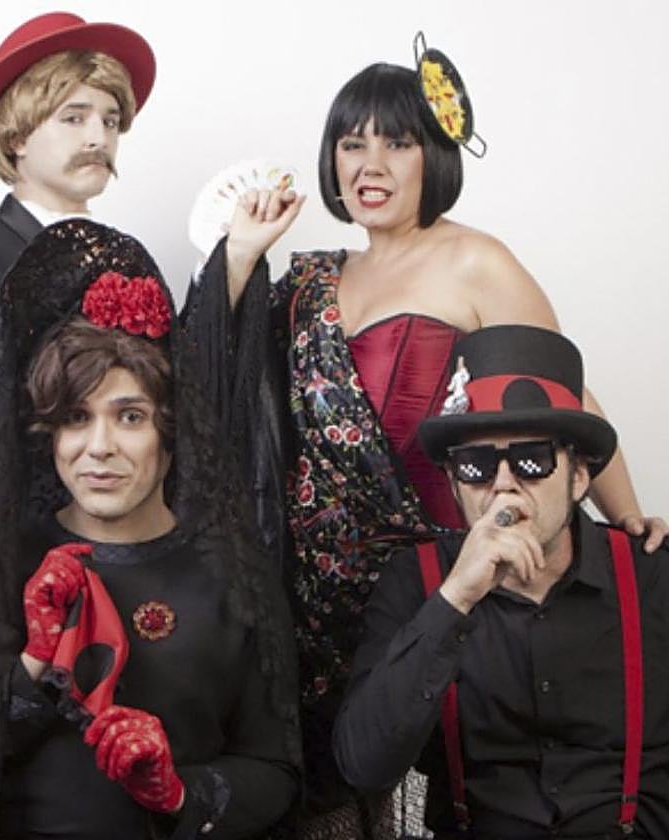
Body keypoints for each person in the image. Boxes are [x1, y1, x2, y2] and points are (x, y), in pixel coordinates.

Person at [185, 58, 667, 836]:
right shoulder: (309, 279)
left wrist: (627, 527)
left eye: (396, 143)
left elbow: (561, 398)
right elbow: (223, 386)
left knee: (429, 794)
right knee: (328, 791)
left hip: (433, 584)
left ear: (434, 156)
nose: (369, 165)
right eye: (351, 144)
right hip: (310, 599)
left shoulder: (475, 260)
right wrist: (241, 254)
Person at [0, 219, 300, 839]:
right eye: (76, 418)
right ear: (49, 434)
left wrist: (182, 793)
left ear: (169, 432)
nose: (98, 447)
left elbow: (277, 770)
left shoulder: (231, 574)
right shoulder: (2, 563)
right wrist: (33, 663)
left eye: (129, 416)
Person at [334, 324, 669, 838]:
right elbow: (363, 765)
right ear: (453, 482)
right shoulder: (417, 581)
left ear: (579, 476)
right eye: (476, 465)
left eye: (533, 460)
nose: (504, 485)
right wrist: (454, 600)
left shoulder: (651, 575)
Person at [0, 11, 155, 477]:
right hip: (25, 519)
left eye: (110, 122)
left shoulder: (128, 257)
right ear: (17, 138)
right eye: (74, 118)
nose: (98, 138)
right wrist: (81, 360)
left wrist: (230, 265)